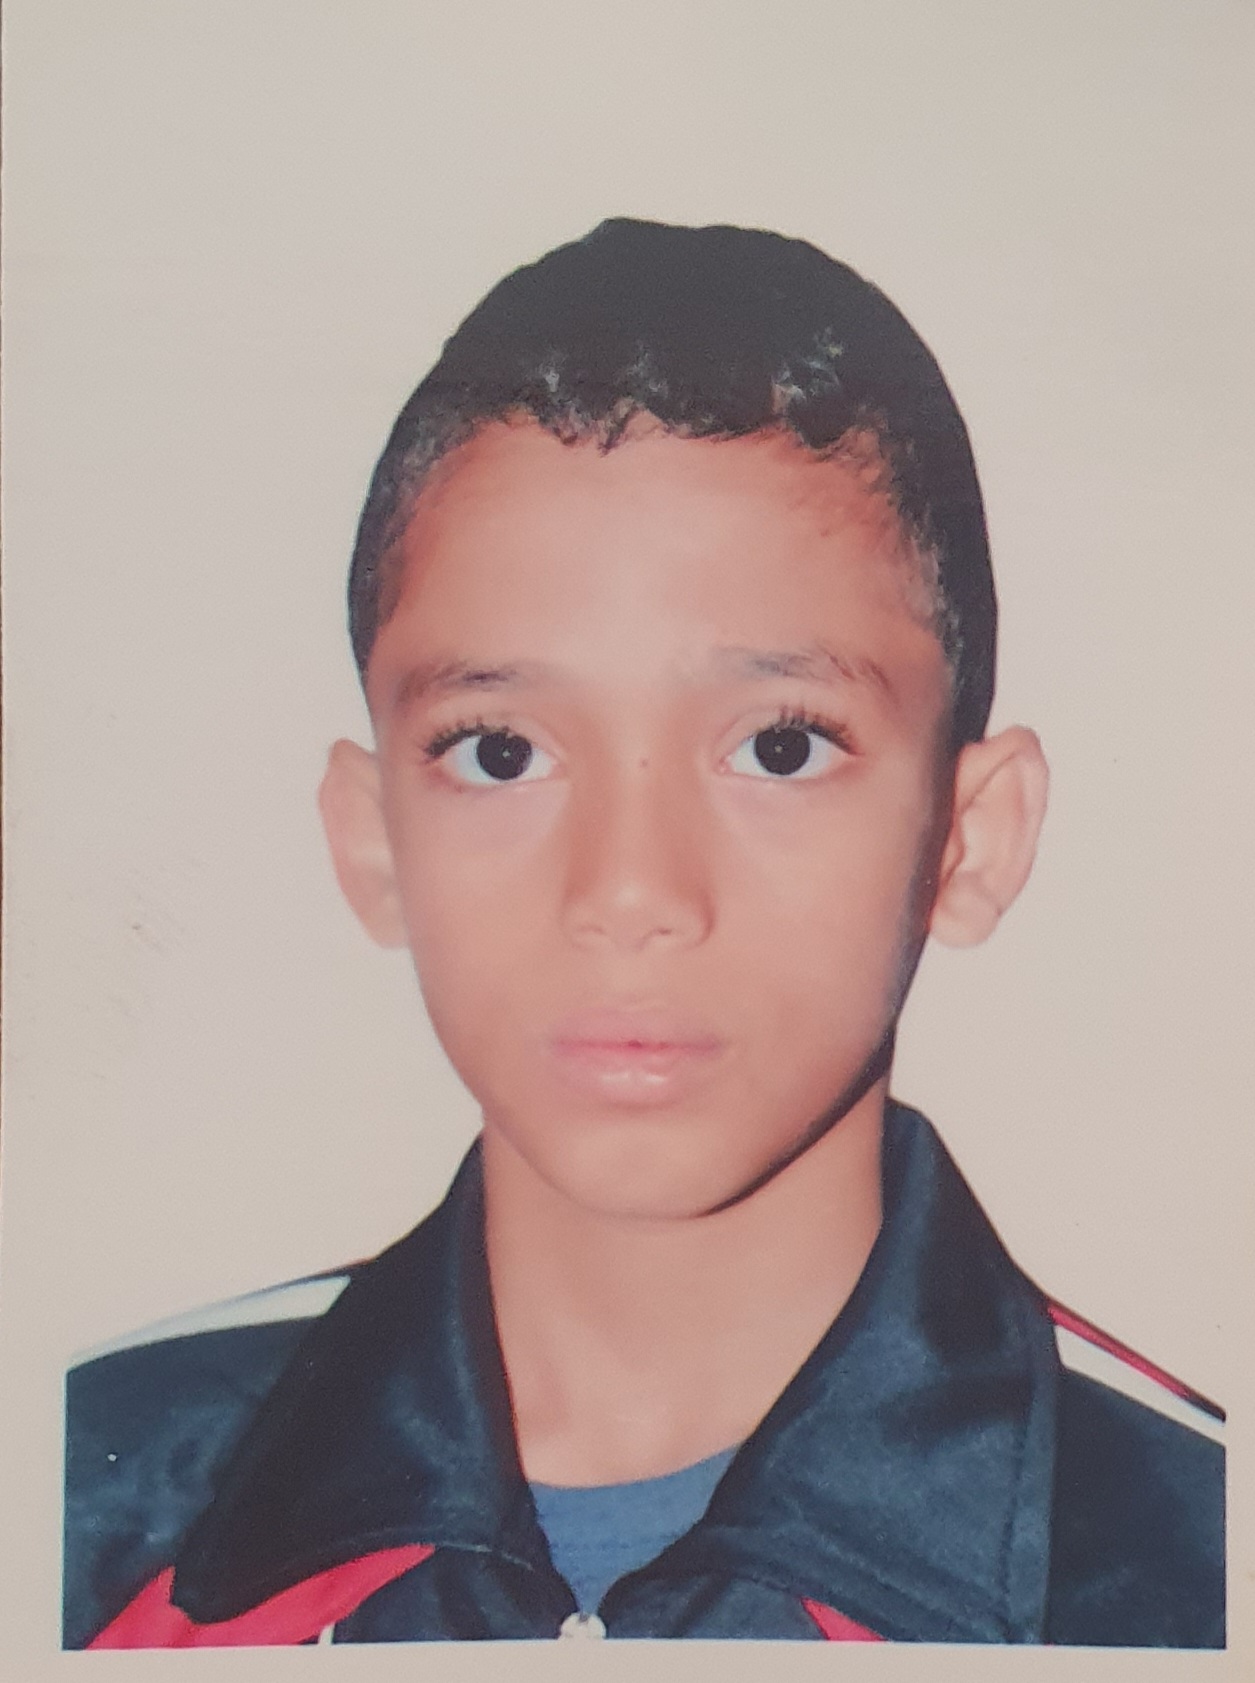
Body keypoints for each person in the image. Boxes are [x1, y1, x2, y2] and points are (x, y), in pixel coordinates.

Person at [63, 218, 1224, 1648]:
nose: (628, 892)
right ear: (371, 841)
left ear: (969, 839)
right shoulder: (83, 1506)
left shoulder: (1193, 1572)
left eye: (781, 747)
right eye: (500, 752)